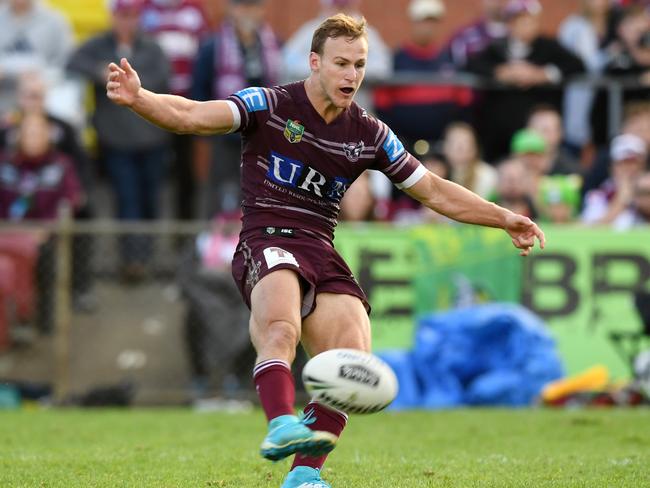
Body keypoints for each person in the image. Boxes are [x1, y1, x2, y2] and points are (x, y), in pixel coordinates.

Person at [106, 13, 545, 488]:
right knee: (280, 328)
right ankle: (279, 423)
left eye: (359, 64)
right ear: (314, 62)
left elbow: (435, 191)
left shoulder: (369, 133)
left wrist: (504, 217)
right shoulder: (270, 104)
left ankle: (304, 476)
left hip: (320, 245)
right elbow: (191, 116)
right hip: (268, 236)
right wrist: (140, 98)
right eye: (341, 63)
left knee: (352, 358)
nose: (351, 75)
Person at [68, 0, 171, 283]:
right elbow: (73, 62)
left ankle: (146, 256)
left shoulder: (151, 47)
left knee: (150, 200)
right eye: (122, 15)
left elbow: (163, 77)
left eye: (131, 15)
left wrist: (128, 83)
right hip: (116, 140)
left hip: (152, 138)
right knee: (126, 200)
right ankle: (131, 260)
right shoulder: (98, 46)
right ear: (113, 17)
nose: (126, 21)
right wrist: (101, 72)